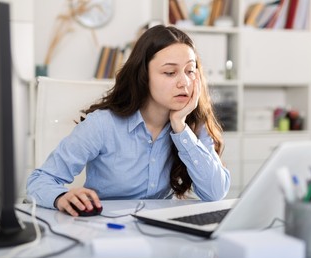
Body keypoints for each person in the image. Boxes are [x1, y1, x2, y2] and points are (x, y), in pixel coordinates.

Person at [27, 25, 230, 216]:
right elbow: (39, 181)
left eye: (190, 71)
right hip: (106, 233)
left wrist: (180, 128)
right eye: (170, 72)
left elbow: (215, 193)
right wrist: (61, 197)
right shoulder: (103, 125)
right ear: (143, 76)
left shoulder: (191, 127)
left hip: (162, 235)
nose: (184, 82)